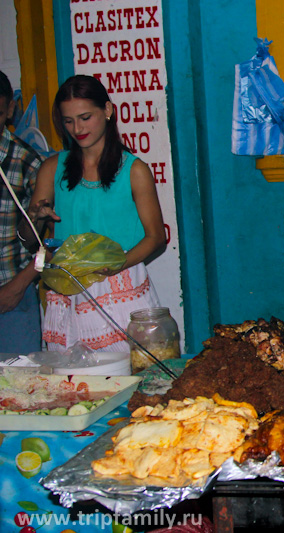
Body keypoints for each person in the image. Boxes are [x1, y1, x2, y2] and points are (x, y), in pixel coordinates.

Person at [19, 75, 166, 353]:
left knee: (132, 380)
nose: (77, 128)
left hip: (122, 289)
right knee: (72, 386)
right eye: (68, 121)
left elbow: (156, 238)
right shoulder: (52, 168)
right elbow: (30, 241)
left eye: (85, 117)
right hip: (67, 291)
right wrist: (35, 218)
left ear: (108, 111)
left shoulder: (134, 170)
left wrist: (118, 265)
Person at [0, 70, 43, 353]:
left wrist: (22, 282)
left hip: (13, 295)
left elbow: (48, 245)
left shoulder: (26, 161)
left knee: (22, 387)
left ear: (10, 109)